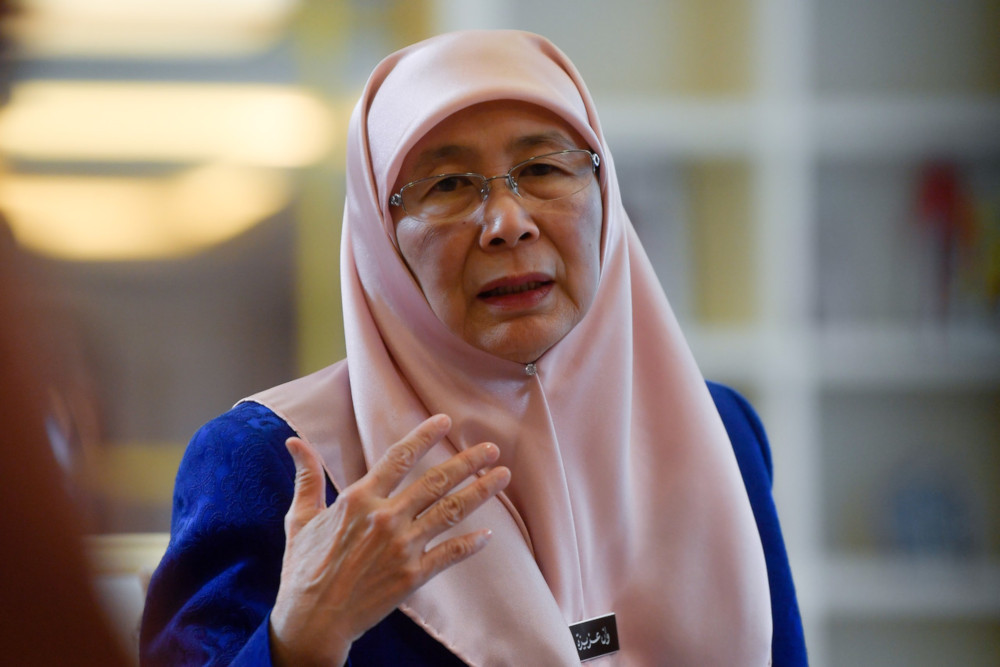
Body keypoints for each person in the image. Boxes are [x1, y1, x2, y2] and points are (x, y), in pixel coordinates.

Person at [141, 30, 807, 666]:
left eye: (544, 167)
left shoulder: (717, 429)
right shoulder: (275, 461)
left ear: (606, 191)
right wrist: (296, 641)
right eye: (449, 185)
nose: (508, 223)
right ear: (380, 232)